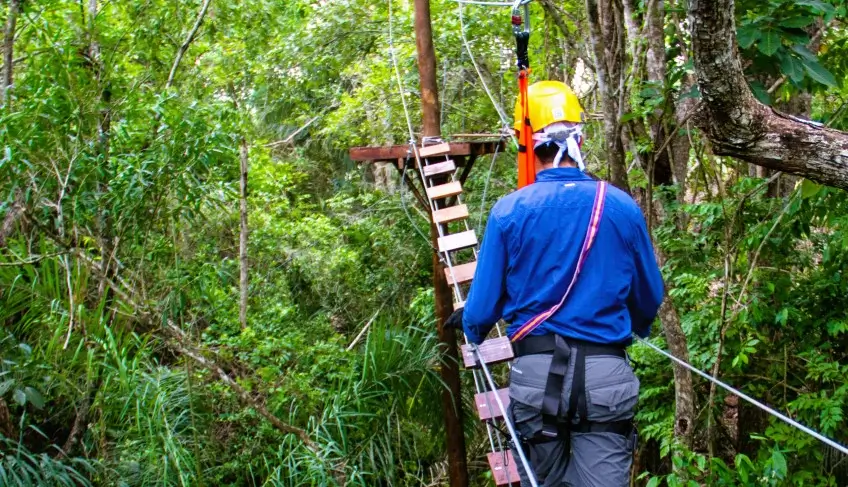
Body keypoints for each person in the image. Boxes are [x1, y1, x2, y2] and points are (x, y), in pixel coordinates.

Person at [445, 81, 664, 487]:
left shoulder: (510, 210)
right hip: (606, 376)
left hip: (536, 376)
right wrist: (637, 327)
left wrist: (472, 327)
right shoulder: (618, 205)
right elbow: (649, 298)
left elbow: (483, 304)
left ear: (526, 143)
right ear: (579, 137)